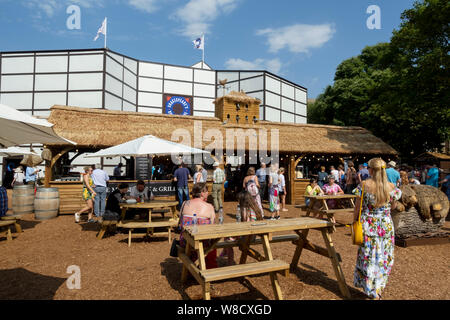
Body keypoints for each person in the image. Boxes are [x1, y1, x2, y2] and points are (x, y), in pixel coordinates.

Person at [353, 157, 402, 300]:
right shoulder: (392, 187)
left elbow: (357, 207)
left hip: (368, 224)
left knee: (368, 256)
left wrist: (354, 221)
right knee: (383, 256)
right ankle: (378, 288)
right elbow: (393, 207)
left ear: (370, 169)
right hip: (385, 225)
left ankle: (369, 288)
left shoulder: (364, 185)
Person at [179, 183, 217, 269]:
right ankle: (208, 268)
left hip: (185, 241)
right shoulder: (209, 207)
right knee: (212, 243)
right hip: (203, 242)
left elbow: (179, 223)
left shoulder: (184, 204)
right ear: (202, 193)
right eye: (207, 191)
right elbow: (212, 226)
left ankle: (192, 267)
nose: (208, 193)